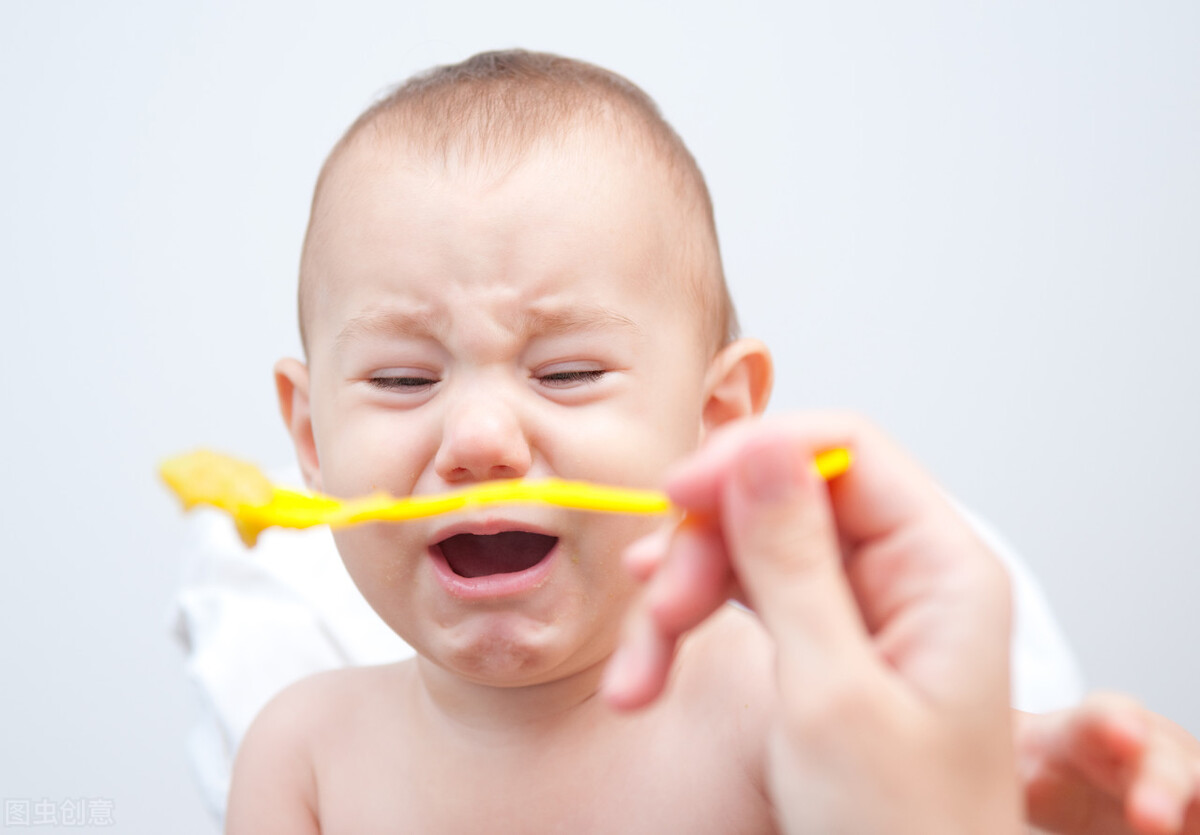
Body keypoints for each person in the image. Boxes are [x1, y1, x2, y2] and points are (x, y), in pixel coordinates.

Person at [217, 50, 1199, 832]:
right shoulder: (303, 762)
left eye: (565, 372)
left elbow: (972, 776)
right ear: (309, 432)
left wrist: (1071, 793)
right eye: (402, 380)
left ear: (718, 419)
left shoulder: (779, 702)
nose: (479, 439)